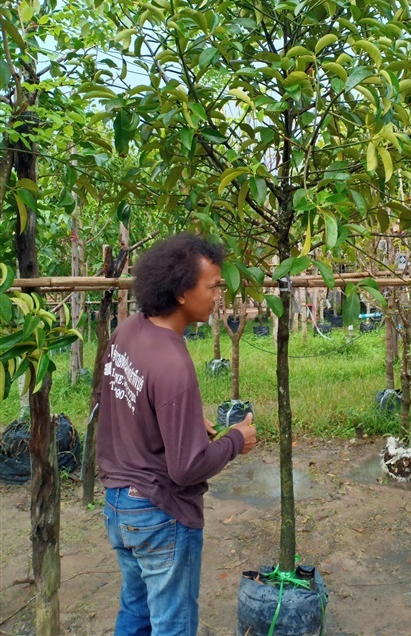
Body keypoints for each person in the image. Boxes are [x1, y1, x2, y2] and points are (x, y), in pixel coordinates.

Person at [97, 233, 257, 636]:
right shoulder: (174, 363)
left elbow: (111, 397)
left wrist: (180, 424)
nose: (219, 295)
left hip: (119, 504)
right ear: (183, 293)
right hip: (159, 513)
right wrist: (236, 439)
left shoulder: (130, 330)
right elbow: (186, 469)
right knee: (172, 623)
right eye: (213, 286)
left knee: (135, 612)